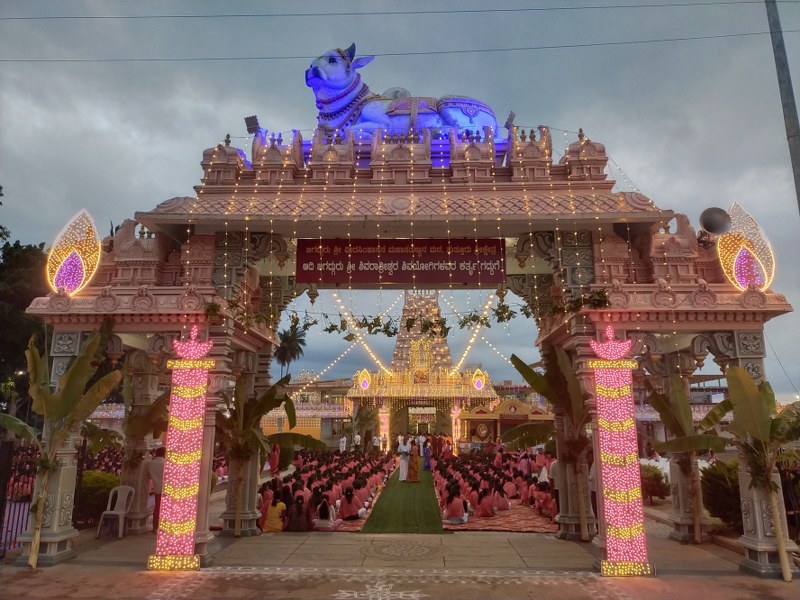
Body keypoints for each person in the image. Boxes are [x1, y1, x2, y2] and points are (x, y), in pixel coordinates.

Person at [147, 447, 166, 533]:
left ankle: (155, 527)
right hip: (166, 487)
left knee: (157, 508)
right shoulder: (165, 463)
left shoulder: (151, 463)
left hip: (157, 487)